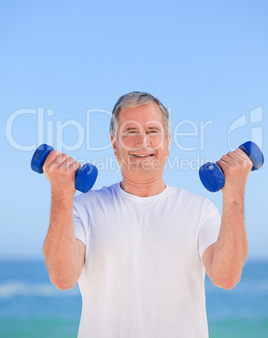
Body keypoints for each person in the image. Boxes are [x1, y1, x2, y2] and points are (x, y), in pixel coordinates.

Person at [43, 91, 252, 338]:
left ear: (168, 142)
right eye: (131, 132)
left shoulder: (199, 210)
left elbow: (226, 277)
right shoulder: (83, 208)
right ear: (114, 145)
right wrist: (61, 195)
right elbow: (62, 278)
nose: (143, 141)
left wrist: (234, 196)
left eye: (153, 131)